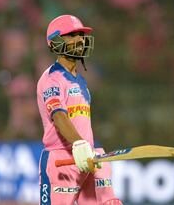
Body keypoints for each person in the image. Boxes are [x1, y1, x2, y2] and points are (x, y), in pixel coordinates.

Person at [36, 14, 122, 205]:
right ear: (55, 42)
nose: (80, 41)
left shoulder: (81, 81)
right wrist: (79, 144)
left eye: (81, 35)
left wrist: (87, 149)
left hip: (87, 158)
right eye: (72, 35)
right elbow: (58, 116)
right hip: (61, 161)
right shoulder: (52, 78)